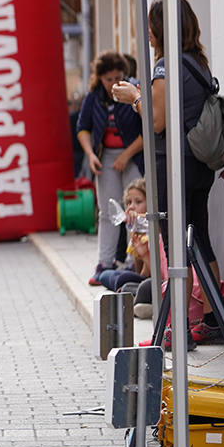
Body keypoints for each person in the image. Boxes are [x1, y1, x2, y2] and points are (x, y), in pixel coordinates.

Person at [113, 0, 219, 350]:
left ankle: (180, 328)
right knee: (199, 240)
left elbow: (156, 120)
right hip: (199, 165)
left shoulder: (165, 67)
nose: (147, 32)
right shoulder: (197, 63)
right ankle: (211, 319)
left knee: (178, 247)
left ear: (162, 28)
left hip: (175, 166)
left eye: (150, 25)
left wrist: (132, 96)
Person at [77, 51, 144, 282]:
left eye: (118, 77)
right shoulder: (93, 97)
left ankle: (132, 263)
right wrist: (90, 154)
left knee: (134, 213)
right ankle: (104, 263)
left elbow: (149, 129)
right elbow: (83, 127)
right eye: (108, 79)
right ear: (100, 78)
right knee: (108, 211)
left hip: (133, 157)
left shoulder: (133, 89)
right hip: (106, 158)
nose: (114, 83)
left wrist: (126, 154)